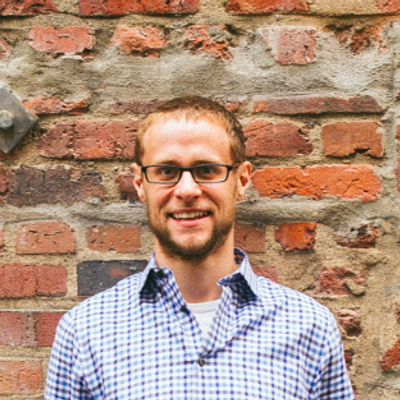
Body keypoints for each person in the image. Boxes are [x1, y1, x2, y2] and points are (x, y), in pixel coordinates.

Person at [45, 96, 355, 399]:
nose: (187, 190)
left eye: (206, 170)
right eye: (166, 171)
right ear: (140, 183)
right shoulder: (84, 332)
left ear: (241, 180)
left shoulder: (309, 327)